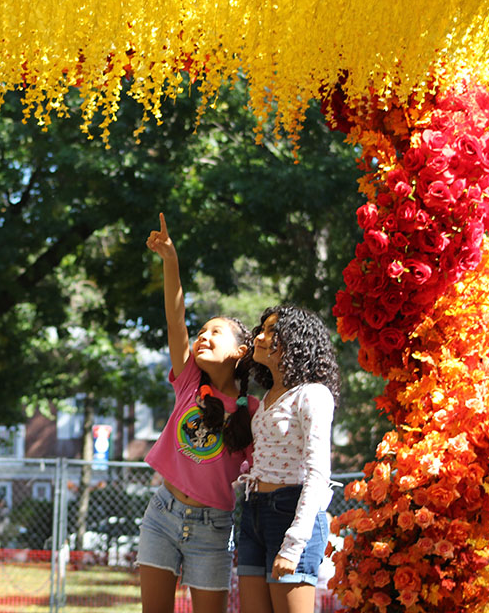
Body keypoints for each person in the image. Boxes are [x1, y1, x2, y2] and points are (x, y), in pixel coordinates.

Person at [138, 213, 258, 613]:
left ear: (240, 351)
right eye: (202, 331)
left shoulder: (251, 411)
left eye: (215, 332)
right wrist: (170, 261)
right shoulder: (189, 380)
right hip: (162, 514)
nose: (203, 337)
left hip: (213, 528)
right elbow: (176, 322)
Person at [236, 305, 340, 613]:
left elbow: (318, 473)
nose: (259, 337)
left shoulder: (313, 394)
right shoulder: (268, 396)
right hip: (253, 510)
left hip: (291, 515)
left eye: (271, 332)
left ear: (296, 341)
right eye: (261, 330)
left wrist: (294, 544)